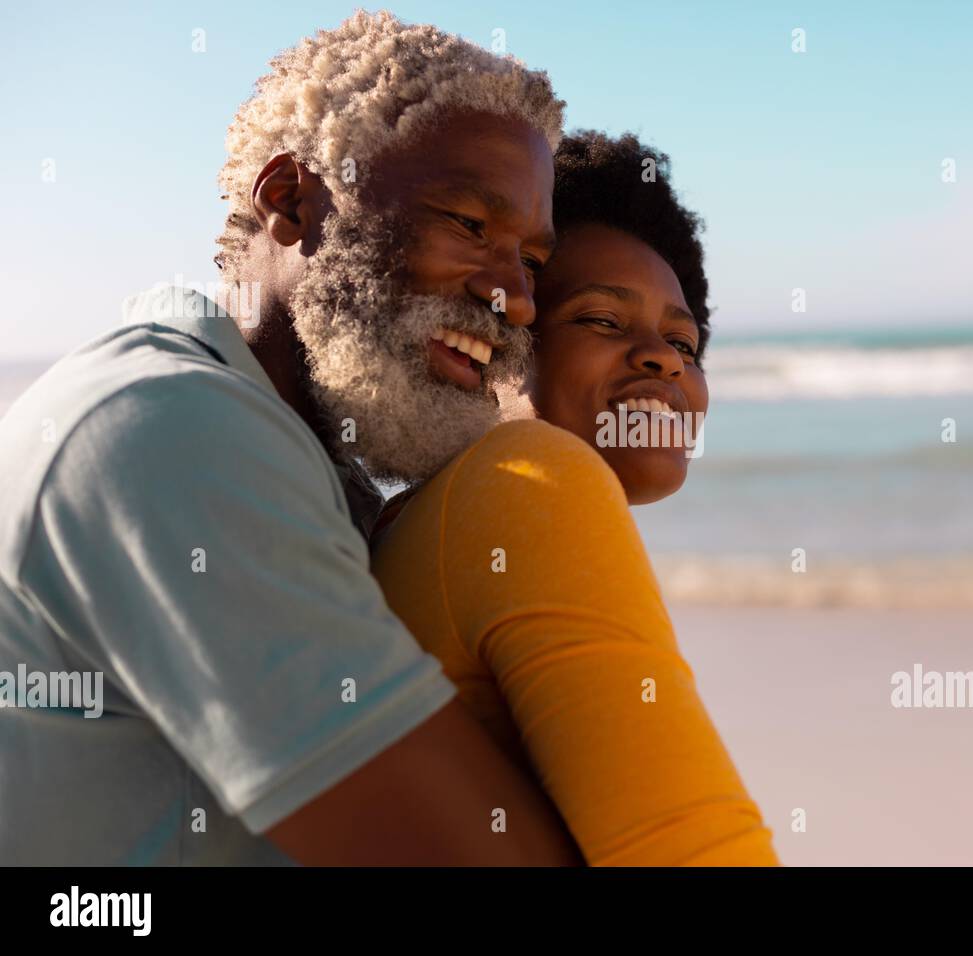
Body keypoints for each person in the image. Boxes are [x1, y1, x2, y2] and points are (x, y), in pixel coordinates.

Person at [0, 11, 580, 866]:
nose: (516, 297)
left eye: (531, 259)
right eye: (468, 224)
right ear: (292, 203)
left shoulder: (291, 449)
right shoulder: (172, 430)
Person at [372, 133, 779, 865]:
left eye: (685, 345)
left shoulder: (429, 511)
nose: (662, 357)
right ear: (504, 339)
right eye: (600, 320)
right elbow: (689, 849)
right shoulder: (532, 478)